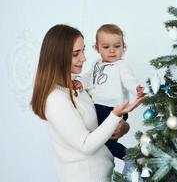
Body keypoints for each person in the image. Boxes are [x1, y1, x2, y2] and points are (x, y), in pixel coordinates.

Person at [31, 24, 143, 182]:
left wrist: (122, 126)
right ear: (59, 57)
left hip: (103, 174)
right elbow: (86, 144)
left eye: (83, 50)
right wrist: (115, 115)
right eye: (76, 53)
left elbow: (99, 127)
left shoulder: (79, 86)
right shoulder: (56, 99)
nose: (83, 58)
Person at [73, 24, 143, 163]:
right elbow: (88, 77)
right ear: (96, 48)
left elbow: (129, 80)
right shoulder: (96, 64)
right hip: (98, 107)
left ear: (124, 47)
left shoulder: (121, 66)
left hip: (113, 109)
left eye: (117, 46)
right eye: (106, 47)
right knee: (97, 139)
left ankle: (132, 158)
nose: (112, 51)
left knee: (107, 142)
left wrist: (136, 89)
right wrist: (80, 82)